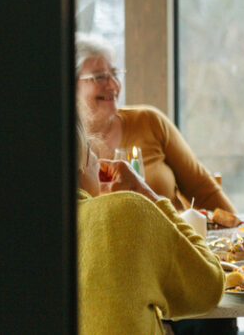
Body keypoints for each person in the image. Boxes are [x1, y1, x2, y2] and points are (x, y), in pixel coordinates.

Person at [76, 120, 225, 335]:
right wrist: (143, 190)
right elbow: (209, 286)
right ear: (79, 162)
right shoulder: (125, 211)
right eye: (92, 152)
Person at [76, 32, 234, 213]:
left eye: (114, 74)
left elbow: (205, 193)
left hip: (173, 236)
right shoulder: (67, 148)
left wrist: (243, 232)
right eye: (99, 77)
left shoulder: (149, 122)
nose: (113, 85)